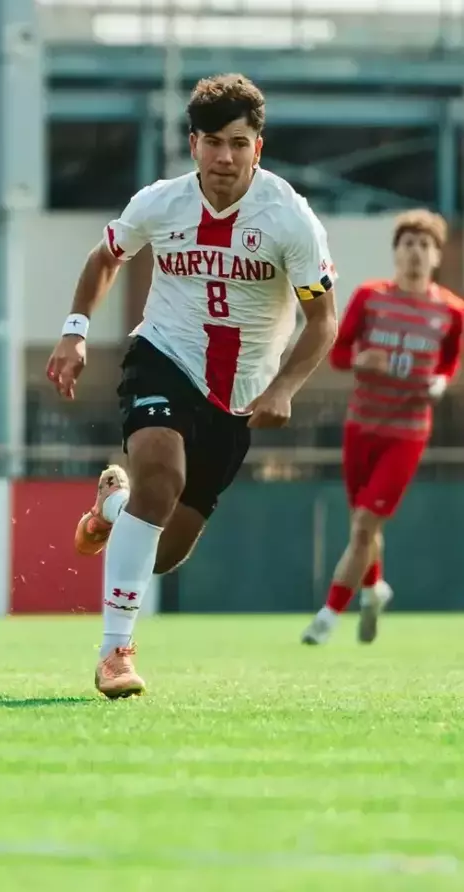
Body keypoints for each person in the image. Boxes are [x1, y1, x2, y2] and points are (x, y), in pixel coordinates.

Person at [46, 73, 339, 699]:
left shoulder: (290, 219)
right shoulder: (160, 202)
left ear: (258, 147)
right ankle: (115, 653)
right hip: (163, 356)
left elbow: (322, 321)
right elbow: (106, 258)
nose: (225, 157)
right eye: (212, 142)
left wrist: (285, 387)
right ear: (193, 144)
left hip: (240, 397)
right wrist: (75, 331)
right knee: (161, 476)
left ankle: (111, 509)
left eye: (238, 142)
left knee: (161, 552)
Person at [301, 211, 463, 646]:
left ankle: (328, 615)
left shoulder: (451, 310)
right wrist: (360, 360)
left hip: (407, 433)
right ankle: (374, 591)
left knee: (364, 526)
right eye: (407, 243)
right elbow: (339, 356)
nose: (415, 252)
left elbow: (449, 360)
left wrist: (440, 382)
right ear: (396, 252)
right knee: (364, 526)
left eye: (424, 245)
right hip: (362, 426)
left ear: (436, 255)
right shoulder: (370, 297)